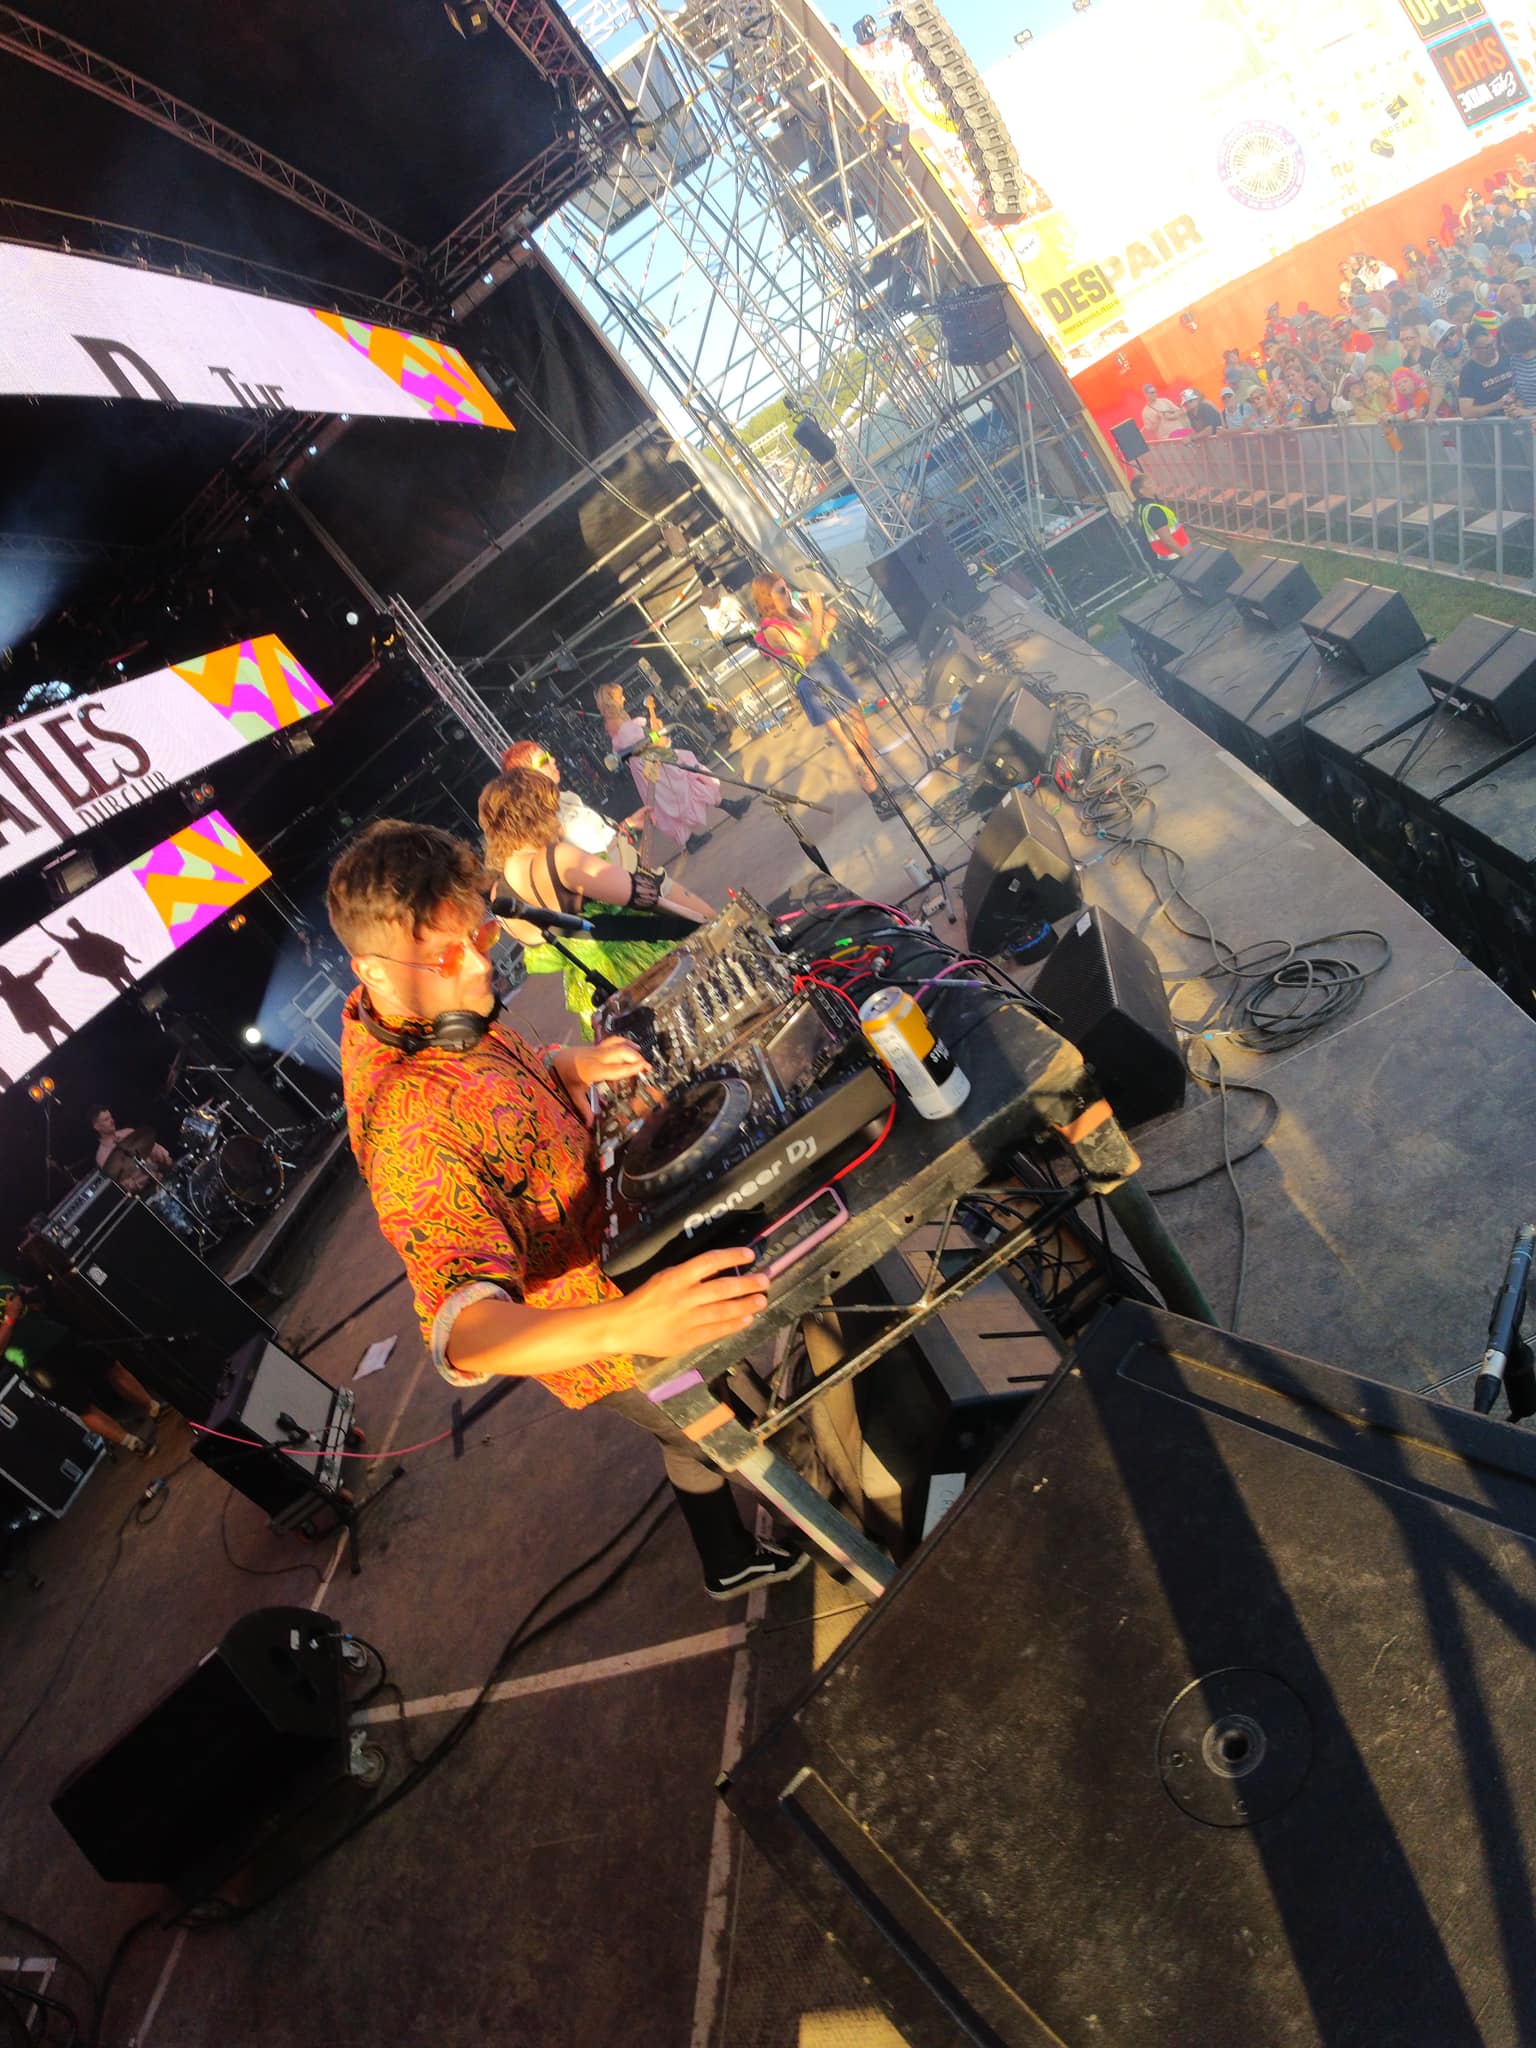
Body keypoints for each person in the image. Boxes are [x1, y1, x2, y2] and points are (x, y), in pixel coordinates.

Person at [327, 817, 805, 1602]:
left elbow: (503, 1083)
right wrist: (629, 1323)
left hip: (616, 1257)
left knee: (697, 1418)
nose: (479, 964)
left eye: (482, 934)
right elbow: (463, 1330)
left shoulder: (430, 1011)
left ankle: (723, 1557)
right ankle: (746, 1547)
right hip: (601, 1329)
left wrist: (571, 1064)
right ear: (373, 971)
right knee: (705, 1426)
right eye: (447, 955)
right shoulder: (408, 1123)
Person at [480, 767, 715, 1039]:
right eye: (551, 808)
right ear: (537, 811)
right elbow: (644, 895)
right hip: (638, 972)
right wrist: (706, 922)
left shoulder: (499, 894)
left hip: (597, 996)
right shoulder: (557, 858)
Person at [749, 574, 894, 814]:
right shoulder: (773, 630)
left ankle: (878, 783)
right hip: (813, 679)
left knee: (861, 733)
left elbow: (819, 641)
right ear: (767, 598)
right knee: (849, 740)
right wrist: (817, 615)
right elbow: (808, 652)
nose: (788, 593)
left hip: (829, 668)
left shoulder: (794, 615)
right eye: (781, 591)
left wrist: (826, 624)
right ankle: (877, 797)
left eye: (787, 587)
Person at [1, 1267, 162, 1455]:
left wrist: (31, 1298)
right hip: (35, 1362)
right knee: (82, 1406)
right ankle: (133, 1444)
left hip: (56, 1335)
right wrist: (10, 1319)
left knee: (110, 1367)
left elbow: (30, 1299)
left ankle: (153, 1407)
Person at [595, 681, 747, 856]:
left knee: (689, 777)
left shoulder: (621, 717)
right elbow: (636, 745)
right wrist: (656, 739)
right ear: (611, 700)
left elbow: (646, 737)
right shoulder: (612, 723)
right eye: (619, 696)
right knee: (673, 794)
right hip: (648, 763)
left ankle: (725, 809)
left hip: (654, 757)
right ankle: (695, 835)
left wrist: (653, 720)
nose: (623, 698)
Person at [499, 739, 621, 859]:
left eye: (548, 755)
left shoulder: (567, 798)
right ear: (527, 778)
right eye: (543, 760)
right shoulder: (547, 823)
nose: (552, 759)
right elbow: (598, 859)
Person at [90, 1104, 173, 1194]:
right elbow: (122, 1184)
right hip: (144, 1192)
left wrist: (164, 1157)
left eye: (111, 1117)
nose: (112, 1121)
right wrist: (145, 1179)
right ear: (97, 1127)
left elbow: (153, 1148)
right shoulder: (102, 1156)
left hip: (161, 1175)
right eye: (106, 1119)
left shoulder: (128, 1132)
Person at [0, 955, 69, 1052]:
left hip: (32, 1021)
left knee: (51, 1044)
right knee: (67, 1031)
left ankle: (62, 1058)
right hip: (45, 1012)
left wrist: (46, 963)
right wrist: (47, 961)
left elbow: (37, 972)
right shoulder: (22, 980)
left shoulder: (4, 990)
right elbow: (37, 972)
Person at [1459, 312, 1517, 418]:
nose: (1493, 348)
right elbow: (1466, 412)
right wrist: (1498, 405)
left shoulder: (1506, 353)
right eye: (1486, 347)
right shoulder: (1469, 371)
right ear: (1473, 349)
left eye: (1493, 343)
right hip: (1493, 422)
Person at [1129, 472, 1190, 570]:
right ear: (1141, 491)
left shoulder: (1142, 508)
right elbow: (1167, 540)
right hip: (1177, 559)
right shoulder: (1153, 510)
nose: (1154, 483)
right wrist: (1187, 557)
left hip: (1169, 559)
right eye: (1149, 483)